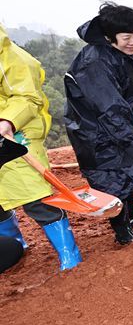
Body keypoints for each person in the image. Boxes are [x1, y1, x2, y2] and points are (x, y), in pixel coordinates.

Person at [64, 3, 133, 245]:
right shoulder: (94, 63)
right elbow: (109, 109)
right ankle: (122, 232)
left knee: (126, 171)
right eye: (127, 37)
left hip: (117, 124)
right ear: (109, 37)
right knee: (112, 179)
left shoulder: (122, 51)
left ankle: (131, 220)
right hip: (95, 131)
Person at [0, 23, 82, 271]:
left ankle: (70, 254)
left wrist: (8, 120)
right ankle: (14, 245)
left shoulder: (13, 58)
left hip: (16, 135)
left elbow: (27, 97)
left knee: (36, 197)